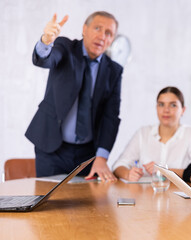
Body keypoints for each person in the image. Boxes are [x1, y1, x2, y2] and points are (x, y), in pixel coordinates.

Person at [26, 11, 123, 182]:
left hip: (87, 155)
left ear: (112, 39)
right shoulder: (66, 48)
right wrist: (46, 41)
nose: (102, 36)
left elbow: (110, 116)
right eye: (97, 28)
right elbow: (46, 59)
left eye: (108, 33)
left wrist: (102, 157)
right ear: (84, 29)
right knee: (49, 203)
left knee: (86, 205)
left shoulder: (114, 70)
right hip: (51, 147)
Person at [113, 86, 191, 181]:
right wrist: (128, 174)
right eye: (161, 104)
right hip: (146, 194)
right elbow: (119, 165)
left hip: (177, 194)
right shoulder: (143, 133)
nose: (166, 110)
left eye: (173, 105)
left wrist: (164, 171)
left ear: (183, 110)